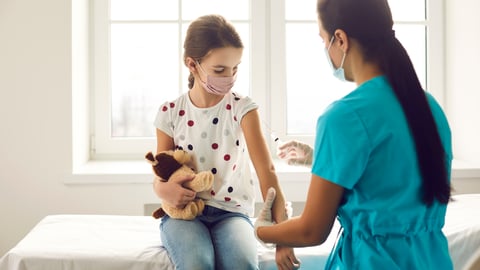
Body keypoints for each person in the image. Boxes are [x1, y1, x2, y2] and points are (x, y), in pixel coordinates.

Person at [254, 0, 453, 269]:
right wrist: (320, 159)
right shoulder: (429, 108)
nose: (325, 49)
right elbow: (391, 175)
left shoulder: (343, 116)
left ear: (340, 39)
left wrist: (261, 230)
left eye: (324, 40)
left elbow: (311, 230)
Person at [152, 14, 299, 270]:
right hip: (185, 215)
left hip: (232, 214)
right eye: (219, 70)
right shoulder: (170, 112)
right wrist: (166, 191)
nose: (229, 77)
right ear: (192, 64)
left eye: (235, 68)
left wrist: (283, 237)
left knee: (242, 263)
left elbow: (268, 173)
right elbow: (160, 174)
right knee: (198, 263)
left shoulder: (243, 109)